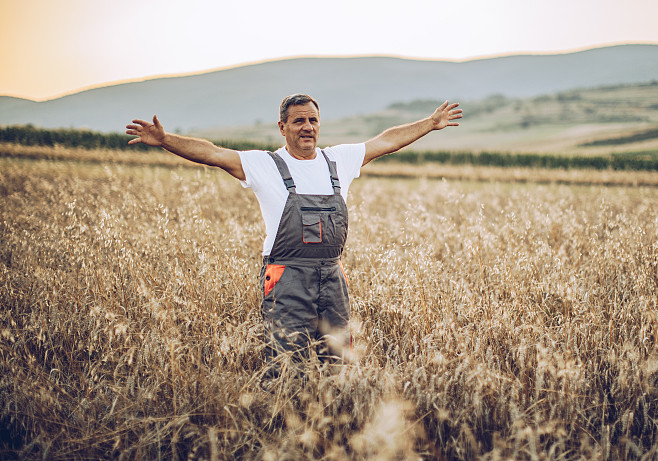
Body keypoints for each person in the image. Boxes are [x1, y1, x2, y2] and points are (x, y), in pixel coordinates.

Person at [126, 93, 462, 374]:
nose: (308, 127)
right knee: (288, 366)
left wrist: (430, 124)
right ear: (282, 127)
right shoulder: (264, 164)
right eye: (299, 121)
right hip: (286, 277)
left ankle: (333, 429)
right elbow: (212, 153)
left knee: (338, 362)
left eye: (313, 120)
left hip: (332, 276)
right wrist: (166, 140)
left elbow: (385, 141)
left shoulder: (339, 161)